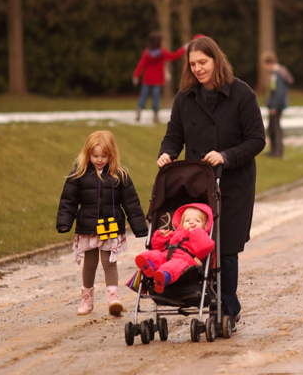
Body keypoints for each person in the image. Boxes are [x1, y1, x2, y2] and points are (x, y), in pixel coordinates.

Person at [157, 36, 265, 330]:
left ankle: (226, 310)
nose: (198, 69)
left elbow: (257, 140)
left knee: (226, 248)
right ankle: (222, 300)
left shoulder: (242, 94)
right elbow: (173, 136)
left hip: (234, 184)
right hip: (197, 185)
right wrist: (166, 153)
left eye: (202, 62)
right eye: (193, 65)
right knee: (197, 244)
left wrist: (226, 155)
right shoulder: (185, 97)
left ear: (216, 60)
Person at [56, 130, 148, 316]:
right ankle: (87, 299)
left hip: (110, 226)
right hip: (88, 226)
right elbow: (68, 201)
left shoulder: (119, 175)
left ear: (111, 154)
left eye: (104, 156)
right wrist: (65, 222)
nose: (99, 160)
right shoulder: (79, 173)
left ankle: (113, 298)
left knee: (109, 262)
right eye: (95, 155)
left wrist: (139, 227)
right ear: (88, 154)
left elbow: (131, 202)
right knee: (89, 263)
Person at [135, 203, 215, 293]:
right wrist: (161, 237)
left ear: (205, 225)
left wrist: (197, 232)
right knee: (155, 255)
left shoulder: (201, 236)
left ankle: (163, 277)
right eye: (187, 220)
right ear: (181, 223)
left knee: (174, 265)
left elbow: (205, 247)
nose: (192, 222)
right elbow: (157, 248)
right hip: (167, 255)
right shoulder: (176, 233)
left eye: (197, 221)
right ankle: (148, 265)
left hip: (186, 261)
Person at [132, 31, 186, 123]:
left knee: (143, 96)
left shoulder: (147, 52)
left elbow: (141, 65)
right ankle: (155, 116)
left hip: (147, 79)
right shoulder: (162, 53)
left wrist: (136, 76)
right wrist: (184, 48)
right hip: (158, 80)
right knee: (156, 98)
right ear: (158, 42)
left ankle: (138, 111)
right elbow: (175, 56)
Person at [261, 51, 294, 158]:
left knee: (275, 128)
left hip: (276, 106)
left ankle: (277, 151)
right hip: (275, 106)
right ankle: (274, 150)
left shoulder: (276, 74)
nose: (264, 68)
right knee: (272, 127)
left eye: (264, 65)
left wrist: (274, 106)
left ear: (269, 63)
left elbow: (278, 92)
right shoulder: (275, 74)